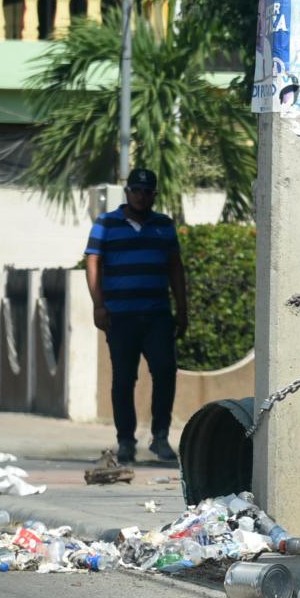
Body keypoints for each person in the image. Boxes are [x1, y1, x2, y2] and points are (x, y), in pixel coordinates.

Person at [84, 168, 190, 464]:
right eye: (136, 191)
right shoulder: (106, 224)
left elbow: (175, 267)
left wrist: (182, 310)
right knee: (123, 379)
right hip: (121, 316)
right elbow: (93, 262)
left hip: (156, 314)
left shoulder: (164, 226)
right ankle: (126, 441)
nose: (141, 197)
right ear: (127, 192)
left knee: (166, 371)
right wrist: (98, 304)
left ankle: (160, 437)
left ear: (153, 195)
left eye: (147, 192)